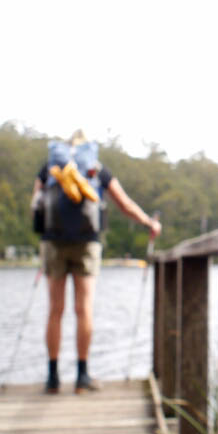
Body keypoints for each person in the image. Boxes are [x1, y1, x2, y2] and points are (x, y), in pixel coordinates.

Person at [31, 130, 161, 394]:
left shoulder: (50, 167)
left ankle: (53, 378)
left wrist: (42, 241)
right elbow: (124, 204)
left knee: (55, 310)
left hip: (53, 242)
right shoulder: (96, 168)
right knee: (84, 309)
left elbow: (36, 205)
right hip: (87, 241)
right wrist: (149, 223)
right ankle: (82, 376)